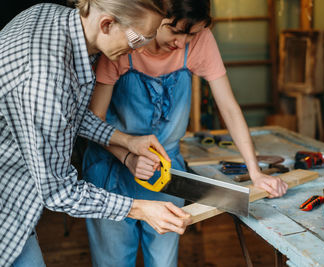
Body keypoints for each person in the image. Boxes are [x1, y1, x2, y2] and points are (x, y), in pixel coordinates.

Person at [83, 0, 289, 266]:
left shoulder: (200, 40)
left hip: (167, 174)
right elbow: (93, 121)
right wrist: (128, 157)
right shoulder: (124, 41)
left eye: (191, 34)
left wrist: (255, 171)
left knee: (164, 261)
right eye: (174, 31)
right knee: (114, 261)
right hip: (111, 171)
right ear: (155, 17)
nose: (182, 42)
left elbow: (228, 106)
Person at [0, 0, 193, 266]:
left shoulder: (55, 20)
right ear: (107, 24)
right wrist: (139, 208)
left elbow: (69, 116)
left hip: (16, 202)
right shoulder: (45, 78)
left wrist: (127, 142)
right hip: (6, 207)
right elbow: (59, 192)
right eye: (139, 38)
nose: (142, 48)